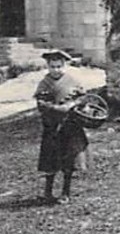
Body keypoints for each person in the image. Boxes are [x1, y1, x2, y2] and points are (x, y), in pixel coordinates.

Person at [34, 49, 88, 205]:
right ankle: (47, 192)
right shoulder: (45, 83)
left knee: (68, 160)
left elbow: (83, 97)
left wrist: (72, 104)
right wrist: (54, 108)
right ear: (48, 66)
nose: (56, 70)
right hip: (52, 127)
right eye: (52, 66)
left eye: (59, 66)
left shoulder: (72, 80)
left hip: (70, 127)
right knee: (50, 160)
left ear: (65, 65)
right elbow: (40, 103)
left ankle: (65, 192)